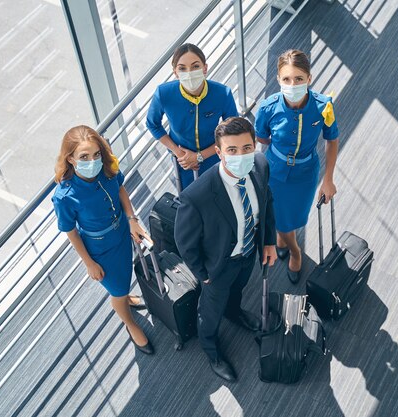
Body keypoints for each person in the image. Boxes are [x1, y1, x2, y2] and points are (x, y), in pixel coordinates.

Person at [174, 117, 277, 382]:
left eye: (246, 148)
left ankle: (235, 312)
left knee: (238, 289)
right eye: (232, 150)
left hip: (247, 255)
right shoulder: (197, 195)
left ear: (254, 145)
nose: (241, 155)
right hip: (217, 267)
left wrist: (268, 242)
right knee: (210, 313)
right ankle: (211, 350)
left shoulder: (261, 166)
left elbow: (267, 203)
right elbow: (185, 242)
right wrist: (203, 274)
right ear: (219, 152)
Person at [52, 125, 154, 355]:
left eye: (96, 154)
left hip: (121, 234)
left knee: (123, 278)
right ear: (70, 158)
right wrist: (89, 263)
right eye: (84, 157)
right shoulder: (65, 196)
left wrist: (132, 218)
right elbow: (71, 232)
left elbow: (120, 190)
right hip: (100, 249)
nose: (93, 161)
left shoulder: (107, 169)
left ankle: (125, 296)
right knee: (116, 291)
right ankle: (130, 322)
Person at [255, 49, 339, 283]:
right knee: (280, 218)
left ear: (309, 79)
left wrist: (328, 178)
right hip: (274, 171)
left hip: (305, 173)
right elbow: (262, 137)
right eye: (287, 79)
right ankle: (295, 251)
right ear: (278, 80)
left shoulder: (324, 106)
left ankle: (285, 239)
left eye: (299, 79)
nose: (293, 84)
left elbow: (332, 139)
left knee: (295, 216)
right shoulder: (267, 108)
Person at [146, 43, 239, 190]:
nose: (189, 73)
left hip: (215, 157)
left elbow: (234, 133)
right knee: (189, 200)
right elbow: (152, 124)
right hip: (182, 162)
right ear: (175, 72)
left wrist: (199, 156)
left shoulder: (222, 94)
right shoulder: (163, 94)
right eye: (182, 68)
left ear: (205, 68)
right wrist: (178, 152)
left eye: (195, 66)